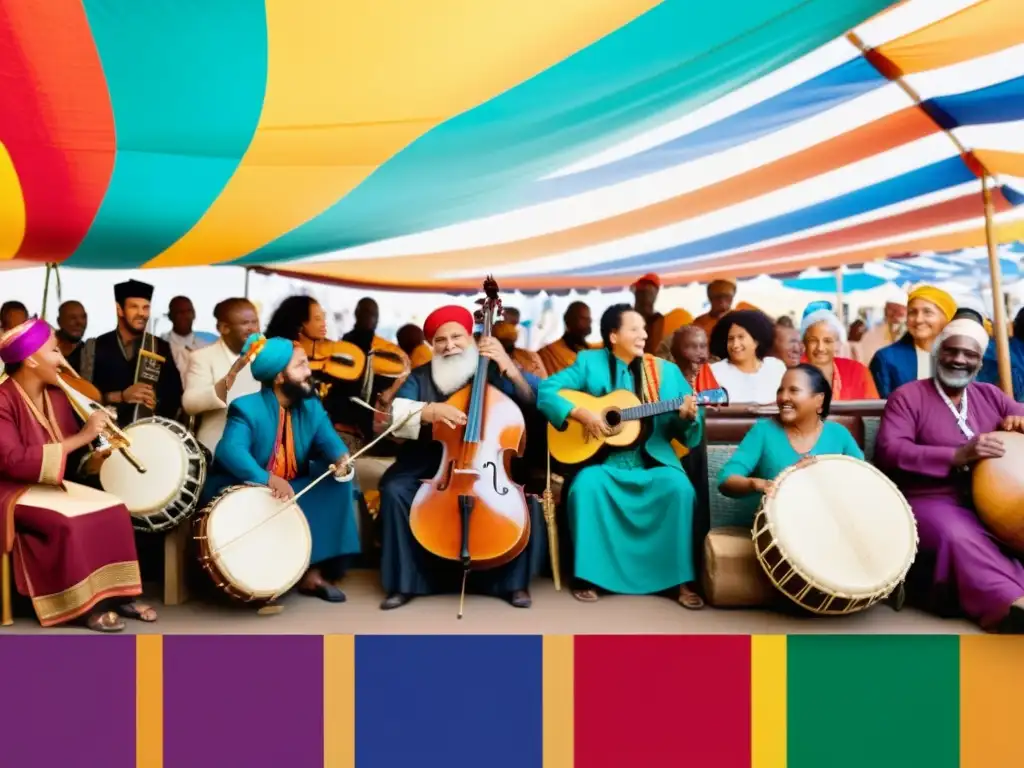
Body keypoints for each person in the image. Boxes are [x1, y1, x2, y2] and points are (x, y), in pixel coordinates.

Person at [378, 304, 546, 610]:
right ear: (432, 345)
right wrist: (429, 411)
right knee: (394, 490)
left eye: (457, 336)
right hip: (430, 464)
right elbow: (392, 415)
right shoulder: (420, 376)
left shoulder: (495, 369)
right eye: (441, 340)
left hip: (489, 467)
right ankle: (407, 582)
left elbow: (538, 402)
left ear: (471, 336)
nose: (450, 345)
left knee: (526, 498)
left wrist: (511, 369)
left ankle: (511, 584)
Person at [538, 304, 705, 609]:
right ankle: (591, 577)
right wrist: (580, 413)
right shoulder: (589, 362)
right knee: (587, 486)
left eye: (644, 328)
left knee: (679, 488)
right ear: (613, 336)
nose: (643, 334)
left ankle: (680, 580)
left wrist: (688, 417)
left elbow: (689, 433)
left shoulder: (664, 372)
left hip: (651, 462)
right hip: (602, 464)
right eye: (634, 329)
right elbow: (547, 391)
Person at [0, 319, 155, 632]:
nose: (61, 358)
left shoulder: (57, 395)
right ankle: (84, 607)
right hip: (11, 490)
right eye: (54, 351)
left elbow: (71, 452)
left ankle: (117, 596)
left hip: (49, 484)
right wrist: (85, 436)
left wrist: (97, 452)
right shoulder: (3, 399)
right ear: (31, 359)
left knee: (113, 507)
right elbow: (13, 461)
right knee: (69, 521)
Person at [874, 318, 1024, 633]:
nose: (959, 359)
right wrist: (956, 456)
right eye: (952, 351)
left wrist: (1018, 423)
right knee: (956, 535)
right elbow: (890, 451)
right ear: (938, 353)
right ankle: (1007, 604)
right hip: (928, 499)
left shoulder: (990, 395)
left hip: (986, 500)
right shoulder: (908, 396)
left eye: (969, 355)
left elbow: (1019, 414)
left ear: (980, 362)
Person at [202, 335, 360, 602]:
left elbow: (330, 442)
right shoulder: (246, 407)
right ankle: (258, 576)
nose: (309, 372)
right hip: (246, 488)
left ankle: (313, 573)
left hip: (290, 488)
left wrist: (342, 460)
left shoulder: (311, 406)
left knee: (335, 482)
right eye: (300, 366)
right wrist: (267, 478)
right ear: (278, 377)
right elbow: (230, 451)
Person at [717, 364, 864, 521]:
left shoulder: (838, 434)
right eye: (780, 390)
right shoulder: (763, 431)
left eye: (793, 390)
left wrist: (824, 470)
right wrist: (757, 484)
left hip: (831, 528)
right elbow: (726, 480)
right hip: (773, 532)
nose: (783, 397)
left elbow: (864, 481)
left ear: (819, 400)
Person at [81, 280, 183, 427]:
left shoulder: (160, 347)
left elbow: (175, 396)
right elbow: (82, 397)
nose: (141, 313)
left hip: (149, 433)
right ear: (119, 309)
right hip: (106, 434)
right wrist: (121, 396)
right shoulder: (95, 346)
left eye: (146, 307)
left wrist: (156, 401)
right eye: (134, 307)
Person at [181, 298, 261, 454]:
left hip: (260, 452)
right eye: (245, 323)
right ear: (224, 328)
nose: (253, 329)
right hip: (218, 450)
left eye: (255, 322)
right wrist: (226, 384)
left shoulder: (264, 356)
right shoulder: (203, 357)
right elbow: (190, 403)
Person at [869, 286, 956, 398]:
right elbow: (879, 409)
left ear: (947, 318)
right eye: (912, 312)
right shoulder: (887, 359)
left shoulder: (967, 356)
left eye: (927, 312)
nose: (918, 320)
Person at [709, 310, 787, 404]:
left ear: (756, 341)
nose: (735, 345)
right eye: (731, 339)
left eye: (741, 337)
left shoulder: (776, 367)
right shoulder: (714, 372)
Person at [801, 306, 878, 401]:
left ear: (838, 344)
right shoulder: (792, 373)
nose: (820, 348)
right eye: (813, 341)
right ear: (804, 343)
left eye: (827, 341)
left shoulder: (857, 371)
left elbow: (872, 411)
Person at [163, 296, 215, 384]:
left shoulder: (206, 348)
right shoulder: (159, 347)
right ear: (170, 316)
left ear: (194, 315)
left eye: (188, 311)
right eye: (179, 312)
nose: (185, 316)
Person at [537, 301, 594, 375]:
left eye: (588, 319)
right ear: (568, 321)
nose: (588, 322)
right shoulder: (548, 353)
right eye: (583, 318)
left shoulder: (590, 350)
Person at [854, 300, 907, 365]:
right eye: (892, 309)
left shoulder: (911, 334)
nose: (895, 314)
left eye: (899, 310)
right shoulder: (871, 334)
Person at [631, 274, 667, 354]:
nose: (639, 296)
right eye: (639, 292)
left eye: (642, 292)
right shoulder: (629, 317)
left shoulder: (656, 320)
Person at [55, 300, 88, 372]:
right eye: (72, 318)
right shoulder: (43, 349)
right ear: (59, 321)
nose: (80, 322)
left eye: (83, 317)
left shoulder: (88, 356)